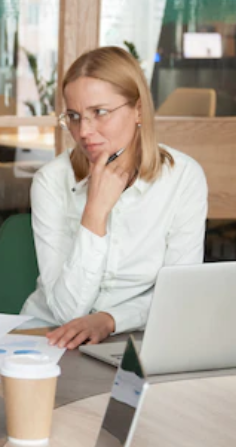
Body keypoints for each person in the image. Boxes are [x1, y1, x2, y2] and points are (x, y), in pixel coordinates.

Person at [20, 46, 208, 349]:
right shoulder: (50, 182)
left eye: (100, 113)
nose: (84, 131)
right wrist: (95, 212)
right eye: (74, 116)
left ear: (138, 110)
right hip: (51, 336)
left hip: (137, 335)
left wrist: (111, 319)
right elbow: (67, 312)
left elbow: (178, 295)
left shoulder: (184, 178)